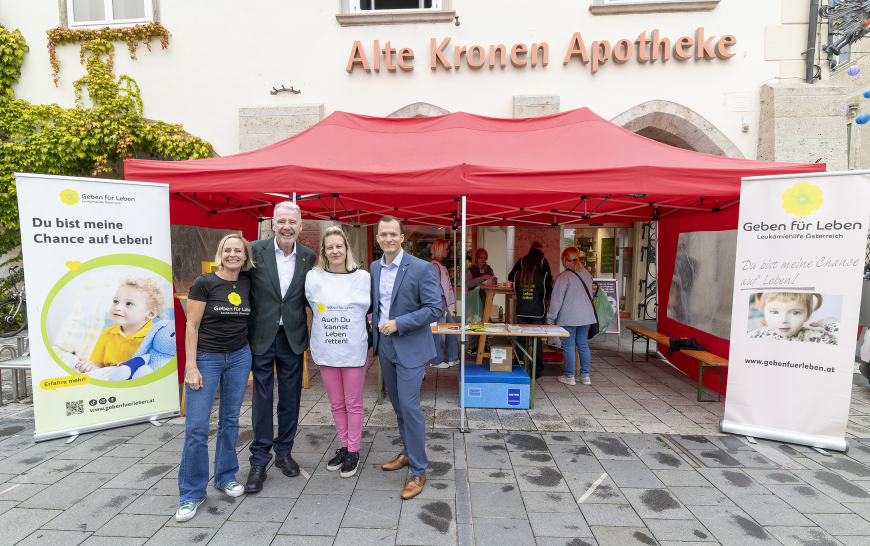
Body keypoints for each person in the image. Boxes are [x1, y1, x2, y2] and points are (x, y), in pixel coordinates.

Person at [176, 234, 254, 522]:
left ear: (245, 257)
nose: (233, 254)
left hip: (239, 356)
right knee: (196, 428)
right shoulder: (204, 282)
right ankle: (192, 493)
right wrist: (191, 366)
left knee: (230, 421)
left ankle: (225, 476)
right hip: (207, 358)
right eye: (228, 250)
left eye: (238, 251)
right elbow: (192, 326)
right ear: (220, 254)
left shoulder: (247, 282)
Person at [244, 202, 316, 493]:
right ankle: (259, 459)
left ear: (300, 226)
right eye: (281, 221)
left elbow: (315, 293)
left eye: (293, 222)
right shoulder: (253, 251)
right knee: (262, 398)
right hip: (261, 334)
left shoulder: (309, 256)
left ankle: (283, 452)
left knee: (291, 398)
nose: (287, 226)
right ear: (272, 224)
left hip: (293, 337)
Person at [370, 216, 441, 500]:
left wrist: (399, 322)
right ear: (378, 238)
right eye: (383, 234)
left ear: (402, 238)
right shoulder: (374, 267)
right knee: (398, 407)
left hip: (410, 345)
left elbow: (435, 309)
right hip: (385, 346)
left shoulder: (422, 268)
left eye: (393, 234)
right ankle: (409, 452)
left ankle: (419, 470)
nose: (388, 238)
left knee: (410, 407)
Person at [305, 227, 370, 478]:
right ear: (324, 251)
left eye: (339, 246)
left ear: (346, 249)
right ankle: (343, 445)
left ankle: (353, 450)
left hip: (353, 349)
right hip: (326, 349)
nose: (335, 251)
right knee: (336, 403)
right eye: (330, 247)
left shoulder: (363, 278)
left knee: (353, 403)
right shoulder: (313, 277)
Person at [76, 276, 165, 372]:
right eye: (116, 301)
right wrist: (89, 368)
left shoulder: (157, 336)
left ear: (150, 313)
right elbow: (97, 367)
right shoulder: (107, 333)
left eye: (129, 303)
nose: (118, 307)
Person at [547, 247, 596, 386]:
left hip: (569, 317)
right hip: (586, 316)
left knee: (569, 346)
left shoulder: (564, 276)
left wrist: (550, 318)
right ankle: (585, 376)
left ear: (564, 258)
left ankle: (569, 376)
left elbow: (556, 300)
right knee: (583, 345)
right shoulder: (587, 274)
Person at [747, 292, 839, 344]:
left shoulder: (819, 338)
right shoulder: (754, 336)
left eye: (795, 312)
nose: (783, 320)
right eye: (774, 312)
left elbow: (845, 345)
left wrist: (832, 324)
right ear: (764, 312)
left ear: (808, 315)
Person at [514, 248, 548, 379]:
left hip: (522, 311)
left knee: (521, 340)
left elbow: (517, 291)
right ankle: (537, 370)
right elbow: (544, 294)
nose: (544, 261)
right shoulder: (542, 275)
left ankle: (518, 366)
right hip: (537, 312)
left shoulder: (519, 274)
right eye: (543, 259)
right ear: (538, 260)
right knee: (536, 341)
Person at [429, 239, 459, 369]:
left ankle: (452, 358)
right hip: (439, 301)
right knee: (440, 331)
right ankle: (436, 360)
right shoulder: (435, 265)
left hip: (441, 301)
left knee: (450, 329)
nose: (448, 251)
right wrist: (438, 305)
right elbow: (434, 286)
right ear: (441, 249)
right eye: (447, 249)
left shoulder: (439, 265)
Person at [465, 249, 496, 357]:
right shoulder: (471, 270)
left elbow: (493, 282)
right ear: (476, 258)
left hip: (485, 298)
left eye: (485, 257)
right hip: (474, 299)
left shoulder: (489, 269)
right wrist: (481, 278)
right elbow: (468, 284)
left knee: (485, 321)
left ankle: (484, 343)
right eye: (481, 257)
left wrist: (493, 280)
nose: (483, 260)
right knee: (474, 321)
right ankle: (472, 346)